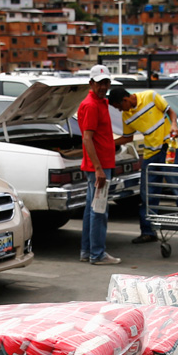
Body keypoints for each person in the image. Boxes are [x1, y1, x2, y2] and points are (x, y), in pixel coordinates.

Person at [108, 85, 178, 243]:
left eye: (119, 106)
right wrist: (109, 143)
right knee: (147, 193)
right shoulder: (127, 116)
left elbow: (171, 112)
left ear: (126, 99)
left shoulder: (151, 96)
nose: (120, 110)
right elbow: (128, 138)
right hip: (151, 154)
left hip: (168, 149)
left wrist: (173, 124)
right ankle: (148, 231)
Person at [77, 64, 120, 265]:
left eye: (106, 82)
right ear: (91, 83)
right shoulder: (91, 105)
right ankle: (97, 253)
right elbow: (87, 138)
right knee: (99, 210)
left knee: (92, 208)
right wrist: (98, 168)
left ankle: (88, 251)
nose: (104, 86)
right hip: (99, 166)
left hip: (101, 164)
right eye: (100, 83)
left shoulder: (100, 102)